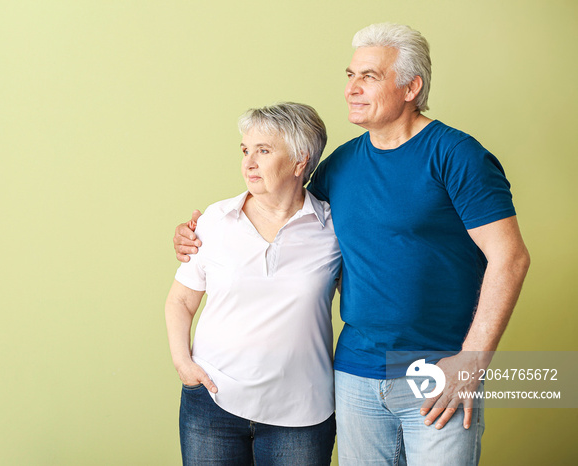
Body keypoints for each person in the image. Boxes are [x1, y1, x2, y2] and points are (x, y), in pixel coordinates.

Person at [174, 24, 530, 465]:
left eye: (369, 76)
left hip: (436, 369)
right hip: (355, 374)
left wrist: (472, 361)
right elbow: (280, 215)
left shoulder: (457, 155)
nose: (351, 89)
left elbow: (510, 257)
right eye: (350, 75)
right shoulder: (339, 167)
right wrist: (197, 234)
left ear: (411, 87)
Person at [165, 102, 342, 465]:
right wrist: (184, 365)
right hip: (212, 403)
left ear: (300, 161)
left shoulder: (334, 228)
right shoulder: (214, 220)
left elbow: (370, 293)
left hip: (302, 415)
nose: (249, 162)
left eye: (263, 150)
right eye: (246, 150)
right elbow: (181, 301)